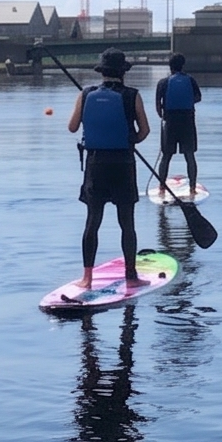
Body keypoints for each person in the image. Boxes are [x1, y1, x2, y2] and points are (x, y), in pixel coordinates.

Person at [67, 47, 150, 297]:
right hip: (123, 164)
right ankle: (131, 278)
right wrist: (130, 139)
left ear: (102, 71)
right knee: (127, 223)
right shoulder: (132, 96)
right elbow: (144, 131)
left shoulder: (86, 94)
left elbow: (72, 128)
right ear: (123, 72)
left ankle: (87, 278)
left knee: (92, 222)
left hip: (95, 165)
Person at [152, 52, 203, 201]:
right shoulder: (190, 80)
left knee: (166, 156)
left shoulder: (163, 83)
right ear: (183, 66)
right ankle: (192, 188)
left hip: (170, 122)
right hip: (187, 121)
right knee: (189, 155)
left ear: (170, 66)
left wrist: (163, 116)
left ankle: (162, 187)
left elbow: (157, 105)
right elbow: (198, 97)